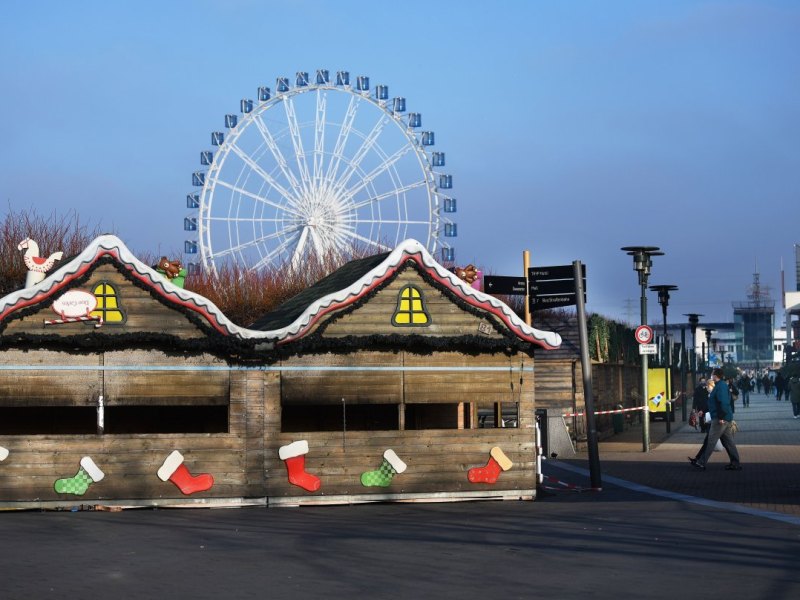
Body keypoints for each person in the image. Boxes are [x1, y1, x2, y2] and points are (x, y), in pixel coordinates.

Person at [692, 368, 741, 471]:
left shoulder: (721, 386)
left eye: (712, 374)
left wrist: (722, 417)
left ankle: (701, 462)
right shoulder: (720, 385)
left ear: (715, 375)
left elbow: (723, 402)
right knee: (728, 442)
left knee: (711, 440)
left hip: (720, 419)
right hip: (723, 417)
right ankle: (735, 463)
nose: (711, 376)